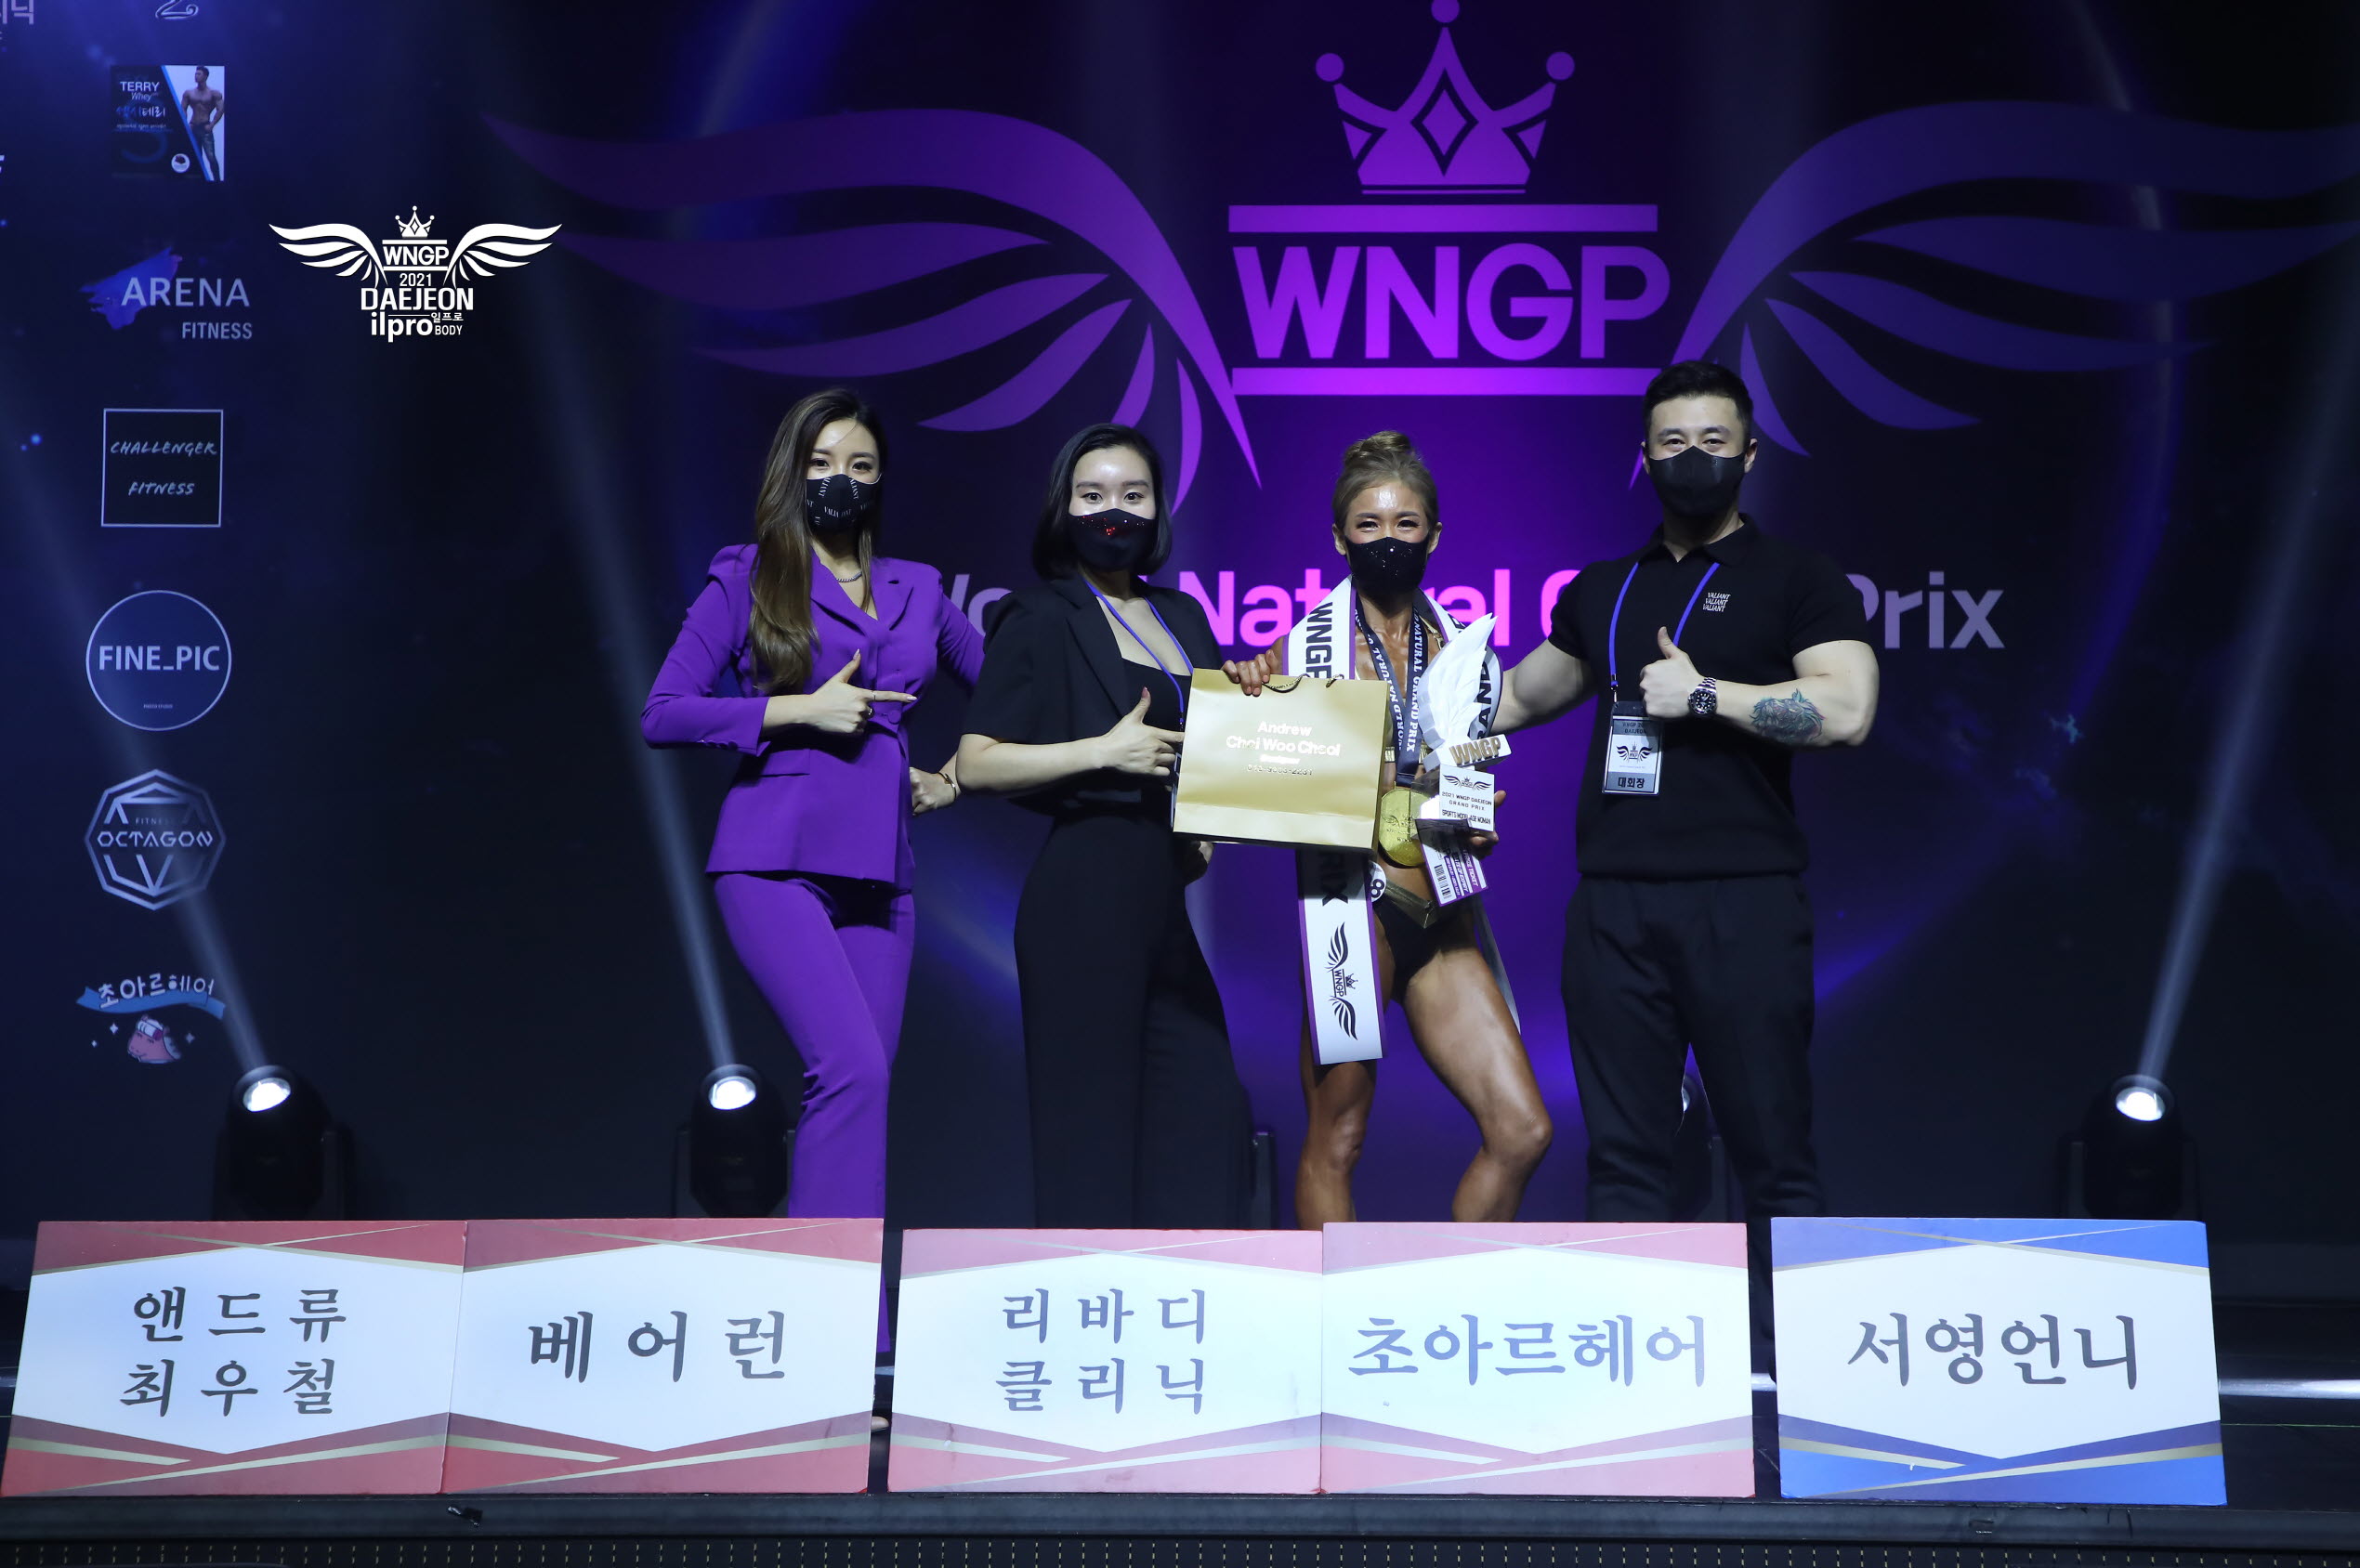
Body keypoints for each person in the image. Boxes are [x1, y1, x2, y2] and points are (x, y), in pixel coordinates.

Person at [1490, 359, 1879, 1225]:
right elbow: (1513, 698)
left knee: (1772, 1158)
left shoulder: (1799, 578)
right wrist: (1351, 706)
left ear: (1749, 453)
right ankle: (1635, 1319)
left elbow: (1848, 710)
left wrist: (1705, 695)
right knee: (1624, 1162)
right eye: (1673, 442)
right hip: (1614, 908)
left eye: (1712, 439)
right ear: (1645, 457)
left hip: (1743, 903)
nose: (1693, 456)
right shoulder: (1603, 587)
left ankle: (1780, 1318)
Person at [642, 387, 980, 1219]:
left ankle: (844, 1285)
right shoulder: (748, 575)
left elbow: (1014, 686)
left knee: (861, 1087)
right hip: (773, 861)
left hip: (881, 873)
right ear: (793, 472)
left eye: (860, 466)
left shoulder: (918, 588)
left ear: (880, 480)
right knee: (851, 1069)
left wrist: (955, 778)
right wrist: (800, 710)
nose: (841, 479)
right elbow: (665, 712)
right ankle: (829, 1282)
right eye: (822, 462)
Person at [1226, 432, 1551, 1225]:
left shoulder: (1466, 657)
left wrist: (1475, 817)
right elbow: (1248, 773)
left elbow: (1463, 775)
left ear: (1434, 535)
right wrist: (1248, 690)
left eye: (1406, 524)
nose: (1388, 540)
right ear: (1339, 538)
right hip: (1354, 911)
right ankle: (1333, 1302)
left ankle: (1451, 1294)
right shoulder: (1300, 651)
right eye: (1368, 525)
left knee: (1522, 1131)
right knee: (1338, 1137)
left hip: (1443, 916)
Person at [956, 424, 1251, 1228]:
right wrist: (1102, 752)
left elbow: (1214, 750)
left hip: (1164, 898)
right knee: (1089, 1140)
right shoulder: (1038, 615)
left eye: (1132, 494)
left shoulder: (1182, 616)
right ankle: (1088, 1300)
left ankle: (1187, 1293)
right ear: (1064, 508)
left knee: (1208, 1116)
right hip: (1082, 896)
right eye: (1092, 495)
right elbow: (977, 762)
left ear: (1157, 511)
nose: (1112, 511)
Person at [180, 67, 224, 180]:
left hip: (205, 128)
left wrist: (212, 124)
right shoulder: (189, 93)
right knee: (195, 157)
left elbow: (221, 109)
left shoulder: (214, 94)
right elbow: (183, 108)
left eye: (199, 74)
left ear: (205, 76)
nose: (196, 76)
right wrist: (185, 123)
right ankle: (199, 180)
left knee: (211, 157)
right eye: (195, 74)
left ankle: (217, 180)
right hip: (193, 126)